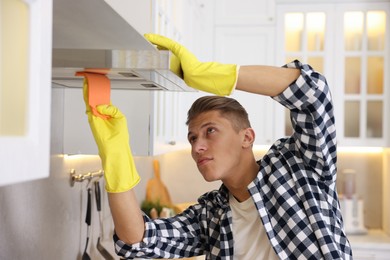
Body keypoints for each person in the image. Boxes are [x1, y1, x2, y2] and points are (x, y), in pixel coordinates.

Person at [83, 34, 353, 259]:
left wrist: (206, 74)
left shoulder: (299, 166)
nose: (197, 147)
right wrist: (115, 154)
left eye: (210, 131)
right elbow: (137, 241)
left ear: (247, 137)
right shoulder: (210, 216)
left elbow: (313, 92)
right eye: (192, 138)